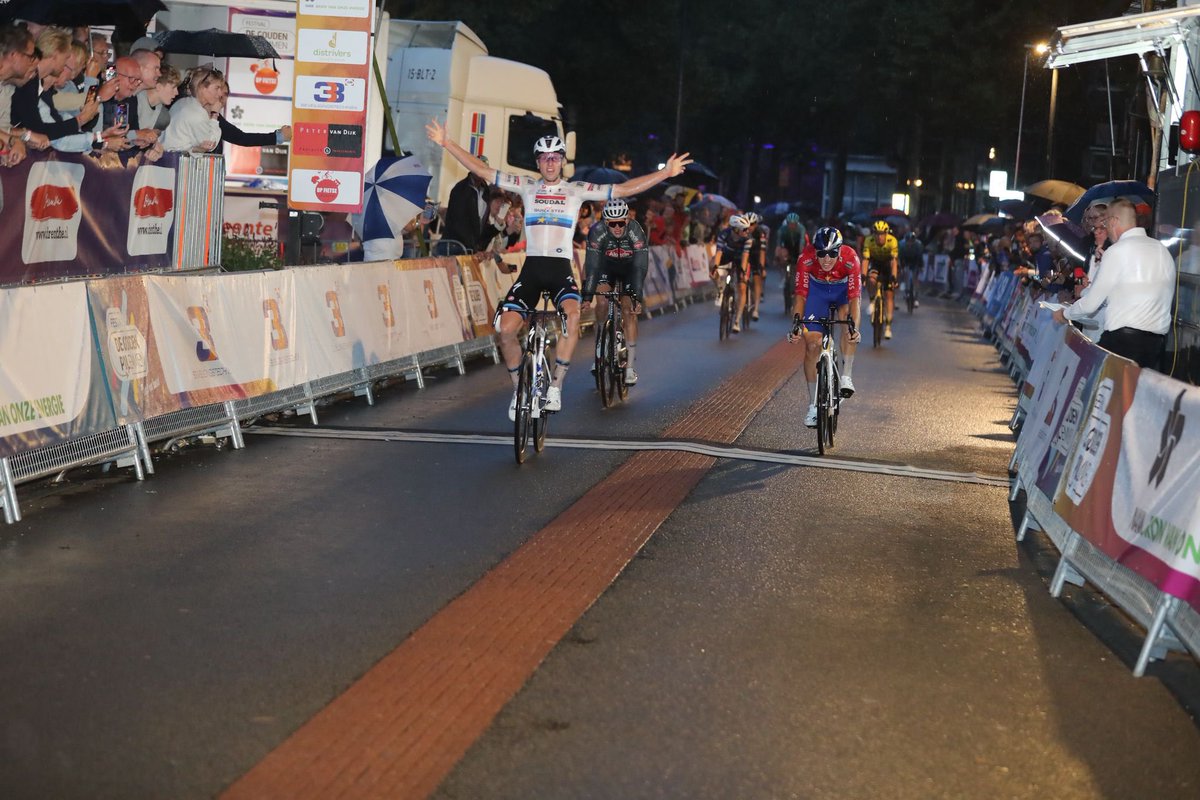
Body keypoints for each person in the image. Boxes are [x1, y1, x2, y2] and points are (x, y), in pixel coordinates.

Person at [425, 116, 691, 419]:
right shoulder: (525, 186)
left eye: (555, 158)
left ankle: (555, 387)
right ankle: (519, 391)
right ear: (538, 163)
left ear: (562, 161)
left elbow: (623, 189)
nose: (550, 163)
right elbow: (482, 170)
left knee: (574, 315)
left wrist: (665, 174)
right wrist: (447, 143)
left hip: (561, 270)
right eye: (544, 158)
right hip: (532, 272)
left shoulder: (576, 190)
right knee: (505, 330)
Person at [1053, 199, 1174, 369]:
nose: (1105, 229)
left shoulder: (1117, 251)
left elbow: (1090, 305)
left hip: (1122, 342)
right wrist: (1085, 292)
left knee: (1096, 389)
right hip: (1156, 346)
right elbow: (1119, 291)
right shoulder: (1162, 250)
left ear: (1114, 221)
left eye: (1105, 222)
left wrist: (1065, 314)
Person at [790, 226, 862, 427]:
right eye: (822, 253)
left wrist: (854, 327)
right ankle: (813, 406)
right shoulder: (805, 259)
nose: (827, 259)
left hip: (842, 292)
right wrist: (796, 324)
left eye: (832, 253)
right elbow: (800, 296)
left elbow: (855, 297)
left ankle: (846, 376)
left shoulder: (851, 258)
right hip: (817, 292)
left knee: (848, 328)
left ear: (840, 250)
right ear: (815, 251)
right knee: (812, 346)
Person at [582, 198, 648, 385]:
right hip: (606, 267)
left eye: (621, 223)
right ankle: (600, 347)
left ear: (627, 220)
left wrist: (636, 297)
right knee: (602, 302)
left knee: (628, 310)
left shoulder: (636, 232)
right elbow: (592, 267)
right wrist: (586, 296)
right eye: (612, 224)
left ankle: (629, 368)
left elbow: (640, 267)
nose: (617, 228)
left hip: (630, 269)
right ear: (605, 223)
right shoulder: (597, 232)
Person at [712, 213, 753, 332]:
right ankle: (720, 289)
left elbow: (745, 257)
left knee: (742, 286)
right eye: (744, 229)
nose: (747, 231)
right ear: (736, 229)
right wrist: (715, 267)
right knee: (711, 265)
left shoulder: (748, 238)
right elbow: (719, 252)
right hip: (727, 254)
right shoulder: (723, 234)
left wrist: (743, 272)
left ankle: (736, 321)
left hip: (741, 258)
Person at [861, 219, 899, 338]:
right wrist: (863, 275)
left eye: (882, 234)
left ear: (886, 234)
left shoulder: (892, 241)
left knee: (889, 295)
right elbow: (866, 260)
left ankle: (888, 326)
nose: (879, 237)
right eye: (877, 234)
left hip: (888, 265)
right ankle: (872, 300)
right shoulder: (868, 240)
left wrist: (894, 277)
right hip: (876, 263)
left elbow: (894, 262)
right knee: (871, 280)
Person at [443, 163, 491, 252]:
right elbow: (458, 220)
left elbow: (481, 222)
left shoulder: (485, 191)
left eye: (483, 169)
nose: (479, 171)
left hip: (469, 246)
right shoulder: (461, 188)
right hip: (455, 244)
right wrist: (472, 245)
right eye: (477, 168)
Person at [898, 230, 924, 309]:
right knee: (906, 274)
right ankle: (906, 291)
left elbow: (920, 257)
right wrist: (901, 267)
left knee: (915, 278)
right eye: (908, 242)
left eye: (911, 242)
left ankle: (916, 298)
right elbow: (900, 257)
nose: (910, 243)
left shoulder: (918, 245)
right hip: (905, 260)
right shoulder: (902, 245)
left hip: (915, 261)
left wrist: (921, 266)